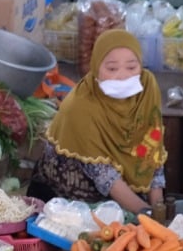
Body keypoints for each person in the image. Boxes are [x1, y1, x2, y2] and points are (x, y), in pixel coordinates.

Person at [30, 30, 167, 217]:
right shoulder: (81, 106)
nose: (122, 76)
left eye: (131, 67)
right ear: (95, 69)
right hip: (73, 197)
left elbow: (152, 149)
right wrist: (148, 213)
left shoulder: (147, 89)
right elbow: (105, 177)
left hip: (121, 189)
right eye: (112, 69)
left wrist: (160, 207)